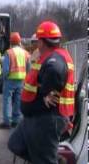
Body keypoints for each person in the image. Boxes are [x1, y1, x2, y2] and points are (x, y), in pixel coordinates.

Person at [8, 21, 75, 164]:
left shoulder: (54, 58)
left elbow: (55, 70)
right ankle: (54, 159)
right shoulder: (47, 56)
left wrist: (48, 92)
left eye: (37, 41)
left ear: (42, 42)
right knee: (15, 144)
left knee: (44, 160)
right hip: (35, 117)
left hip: (48, 119)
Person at [0, 32, 30, 129]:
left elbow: (6, 69)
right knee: (18, 100)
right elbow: (29, 68)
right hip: (21, 80)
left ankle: (7, 121)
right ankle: (16, 120)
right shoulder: (26, 53)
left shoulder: (9, 53)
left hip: (10, 80)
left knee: (7, 100)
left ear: (11, 42)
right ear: (19, 41)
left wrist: (4, 77)